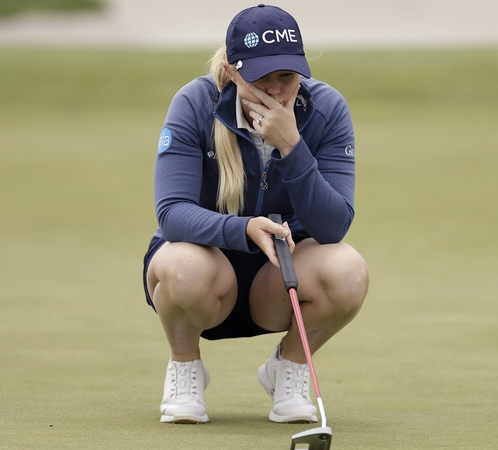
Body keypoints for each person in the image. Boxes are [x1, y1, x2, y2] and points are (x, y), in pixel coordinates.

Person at [142, 4, 369, 424]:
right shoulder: (196, 102)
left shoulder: (326, 109)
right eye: (261, 77)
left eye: (286, 76)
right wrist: (242, 228)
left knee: (349, 271)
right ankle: (185, 367)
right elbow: (172, 214)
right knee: (181, 265)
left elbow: (333, 226)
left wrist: (292, 147)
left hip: (281, 278)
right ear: (231, 70)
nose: (277, 90)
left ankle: (290, 368)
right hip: (206, 274)